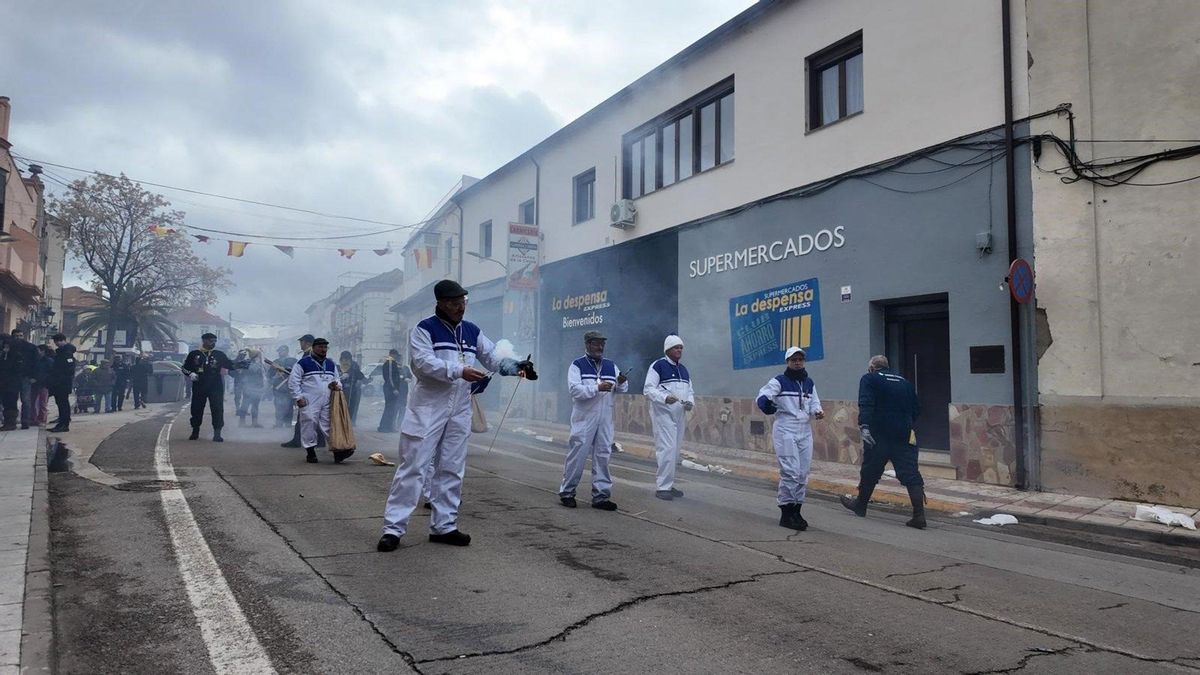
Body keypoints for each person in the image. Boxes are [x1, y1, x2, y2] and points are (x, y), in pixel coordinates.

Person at [377, 279, 536, 552]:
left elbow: (492, 358)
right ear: (440, 303)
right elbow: (424, 364)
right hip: (429, 407)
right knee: (413, 467)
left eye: (463, 303)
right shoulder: (423, 330)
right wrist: (459, 371)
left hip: (460, 407)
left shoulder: (472, 331)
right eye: (454, 303)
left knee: (451, 468)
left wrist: (516, 366)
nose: (460, 308)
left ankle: (444, 526)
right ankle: (393, 528)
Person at [841, 355, 926, 529]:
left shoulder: (869, 379)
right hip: (903, 434)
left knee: (871, 470)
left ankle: (861, 505)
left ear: (872, 367)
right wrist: (904, 424)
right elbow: (916, 409)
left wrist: (864, 425)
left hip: (879, 434)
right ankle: (919, 515)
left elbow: (866, 403)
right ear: (887, 367)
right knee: (910, 472)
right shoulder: (905, 382)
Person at [756, 347, 824, 531]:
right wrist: (767, 406)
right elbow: (762, 397)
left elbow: (814, 402)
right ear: (788, 361)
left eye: (800, 359)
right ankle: (786, 512)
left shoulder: (809, 382)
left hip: (804, 430)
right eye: (794, 359)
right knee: (790, 471)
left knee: (803, 473)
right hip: (786, 428)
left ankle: (797, 509)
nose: (797, 362)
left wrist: (817, 411)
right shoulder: (779, 381)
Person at [559, 330, 628, 511]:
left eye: (602, 344)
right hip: (584, 418)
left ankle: (601, 496)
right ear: (588, 344)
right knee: (578, 454)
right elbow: (575, 390)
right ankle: (567, 492)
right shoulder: (577, 365)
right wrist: (597, 387)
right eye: (597, 343)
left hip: (605, 418)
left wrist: (620, 382)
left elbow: (621, 388)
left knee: (603, 455)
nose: (600, 347)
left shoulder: (611, 365)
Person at [644, 334, 695, 500]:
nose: (679, 350)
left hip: (679, 415)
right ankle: (662, 487)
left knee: (675, 451)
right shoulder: (658, 366)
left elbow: (690, 391)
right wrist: (665, 398)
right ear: (668, 349)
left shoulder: (684, 369)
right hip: (663, 414)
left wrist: (690, 403)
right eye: (676, 347)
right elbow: (649, 389)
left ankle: (669, 483)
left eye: (681, 347)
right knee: (667, 449)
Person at [288, 338, 347, 464]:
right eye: (320, 347)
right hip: (309, 399)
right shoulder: (303, 363)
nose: (323, 350)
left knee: (328, 425)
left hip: (327, 399)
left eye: (325, 347)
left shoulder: (330, 364)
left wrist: (337, 385)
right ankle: (310, 452)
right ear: (313, 348)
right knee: (309, 424)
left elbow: (337, 379)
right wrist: (298, 397)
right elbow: (293, 381)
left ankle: (337, 451)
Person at [181, 332, 245, 442]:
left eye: (215, 341)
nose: (213, 343)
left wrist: (240, 363)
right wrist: (191, 374)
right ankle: (195, 431)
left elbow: (229, 364)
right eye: (211, 341)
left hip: (216, 386)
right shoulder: (194, 354)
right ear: (204, 341)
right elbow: (184, 368)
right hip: (199, 385)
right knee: (196, 408)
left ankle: (217, 433)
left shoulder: (219, 354)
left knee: (217, 409)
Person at [281, 335, 317, 448]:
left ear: (307, 343)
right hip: (314, 389)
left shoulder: (309, 354)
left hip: (308, 389)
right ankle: (319, 441)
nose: (300, 344)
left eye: (301, 342)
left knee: (303, 416)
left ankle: (297, 440)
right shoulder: (315, 354)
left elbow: (306, 371)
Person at [47, 334, 76, 432]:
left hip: (63, 383)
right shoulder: (62, 352)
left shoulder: (67, 353)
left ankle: (64, 424)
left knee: (63, 403)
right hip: (59, 382)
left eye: (57, 341)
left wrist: (59, 377)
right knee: (60, 403)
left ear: (62, 340)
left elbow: (69, 369)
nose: (56, 344)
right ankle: (61, 423)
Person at [9, 330, 38, 429]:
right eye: (16, 336)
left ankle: (25, 421)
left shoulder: (31, 347)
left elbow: (36, 362)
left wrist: (34, 377)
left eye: (20, 335)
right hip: (12, 378)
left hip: (26, 377)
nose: (18, 338)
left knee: (26, 400)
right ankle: (11, 421)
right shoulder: (8, 347)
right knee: (11, 400)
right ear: (12, 336)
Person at [376, 348, 408, 433]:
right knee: (389, 408)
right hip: (390, 389)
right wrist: (394, 388)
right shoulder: (390, 363)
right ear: (392, 354)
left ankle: (389, 427)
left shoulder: (393, 363)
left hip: (391, 388)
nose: (396, 357)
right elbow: (390, 377)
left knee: (392, 408)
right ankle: (383, 427)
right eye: (395, 355)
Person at [237, 350, 268, 427]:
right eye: (259, 355)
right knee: (245, 405)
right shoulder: (248, 363)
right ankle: (242, 423)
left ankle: (254, 423)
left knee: (255, 406)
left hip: (257, 387)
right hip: (249, 387)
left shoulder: (258, 363)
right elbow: (252, 371)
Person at [268, 344, 296, 429]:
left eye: (281, 351)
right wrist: (275, 376)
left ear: (286, 351)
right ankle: (279, 424)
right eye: (279, 351)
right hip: (278, 387)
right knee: (278, 406)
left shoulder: (294, 361)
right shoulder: (275, 362)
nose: (280, 353)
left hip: (289, 387)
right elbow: (269, 374)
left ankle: (288, 424)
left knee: (289, 407)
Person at [338, 350, 367, 424]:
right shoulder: (338, 366)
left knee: (351, 407)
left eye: (347, 359)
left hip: (352, 390)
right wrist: (341, 377)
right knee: (340, 407)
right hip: (340, 390)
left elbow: (359, 375)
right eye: (344, 358)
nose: (345, 360)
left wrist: (363, 380)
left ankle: (349, 422)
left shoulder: (354, 365)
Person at [0, 336, 21, 430]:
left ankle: (11, 423)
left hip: (12, 384)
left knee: (11, 403)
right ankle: (7, 422)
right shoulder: (4, 355)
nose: (6, 348)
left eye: (7, 346)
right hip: (4, 384)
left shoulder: (16, 356)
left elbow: (16, 370)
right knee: (6, 403)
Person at [31, 344, 54, 426]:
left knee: (42, 403)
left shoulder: (49, 361)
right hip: (34, 384)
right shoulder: (35, 360)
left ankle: (42, 420)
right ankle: (33, 419)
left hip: (44, 384)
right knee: (32, 403)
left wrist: (37, 378)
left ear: (43, 351)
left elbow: (50, 373)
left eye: (38, 350)